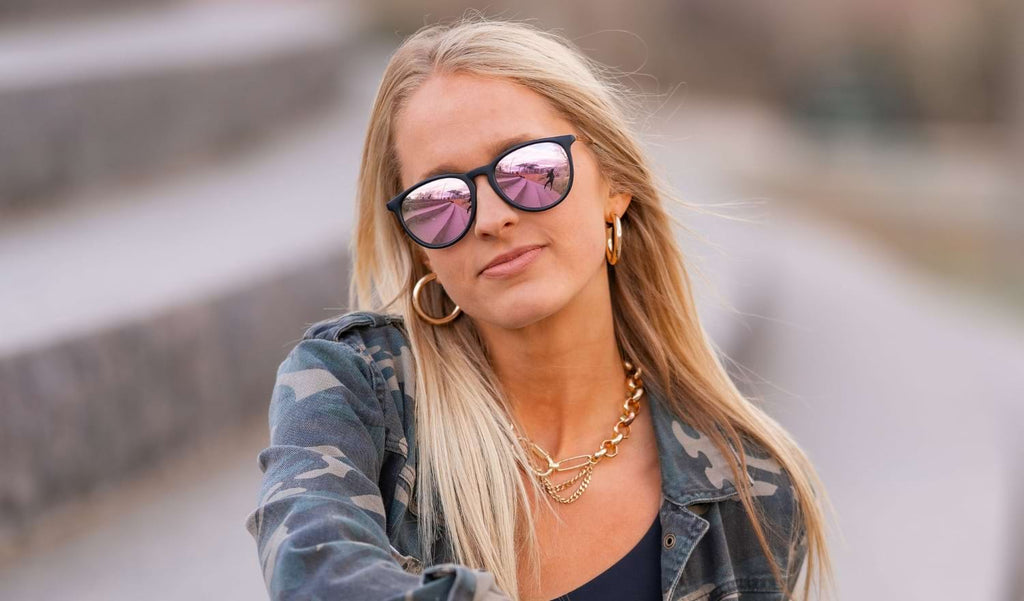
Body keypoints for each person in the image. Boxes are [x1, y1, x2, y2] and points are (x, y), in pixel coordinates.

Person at [245, 14, 835, 601]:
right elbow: (312, 573)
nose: (493, 217)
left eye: (530, 170)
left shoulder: (751, 488)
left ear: (614, 184)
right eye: (440, 200)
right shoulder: (355, 393)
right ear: (420, 250)